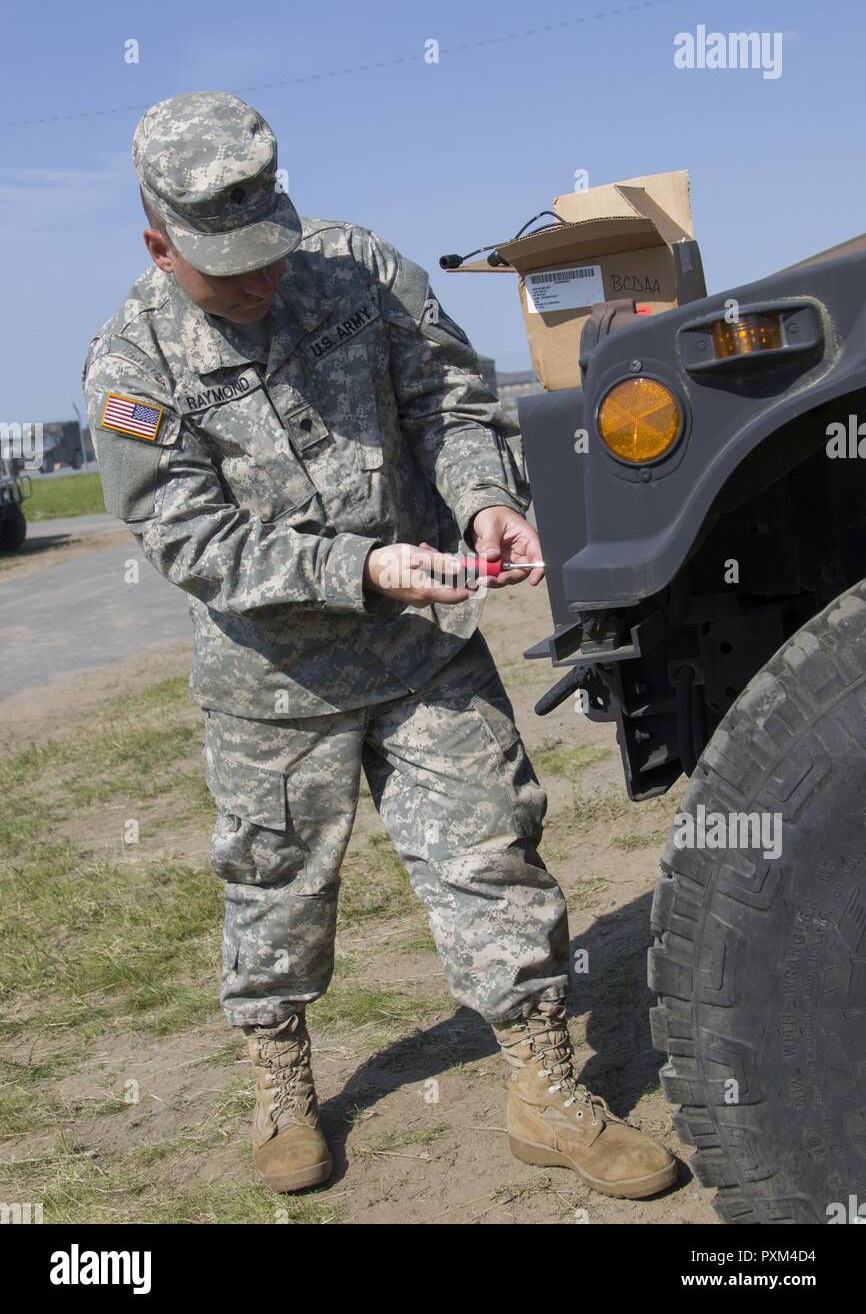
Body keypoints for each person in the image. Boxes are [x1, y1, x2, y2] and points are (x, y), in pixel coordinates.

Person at [82, 91, 676, 1201]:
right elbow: (197, 541)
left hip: (423, 647)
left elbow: (447, 401)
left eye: (271, 248)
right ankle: (282, 1086)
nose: (262, 280)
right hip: (274, 684)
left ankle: (543, 1092)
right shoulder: (131, 368)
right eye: (228, 268)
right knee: (274, 889)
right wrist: (356, 569)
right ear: (159, 246)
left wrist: (482, 500)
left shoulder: (354, 268)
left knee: (491, 852)